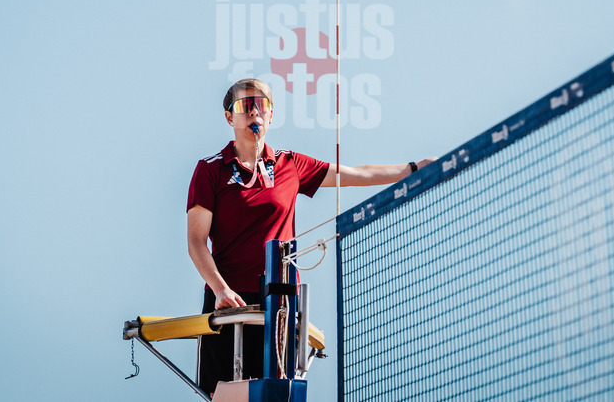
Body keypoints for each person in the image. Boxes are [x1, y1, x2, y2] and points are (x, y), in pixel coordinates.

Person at [186, 78, 434, 394]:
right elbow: (196, 241)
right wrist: (220, 290)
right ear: (229, 117)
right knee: (225, 396)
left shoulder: (290, 164)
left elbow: (355, 174)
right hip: (227, 303)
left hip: (279, 301)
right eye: (244, 106)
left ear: (271, 115)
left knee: (279, 394)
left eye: (261, 106)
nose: (254, 113)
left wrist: (412, 169)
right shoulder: (210, 170)